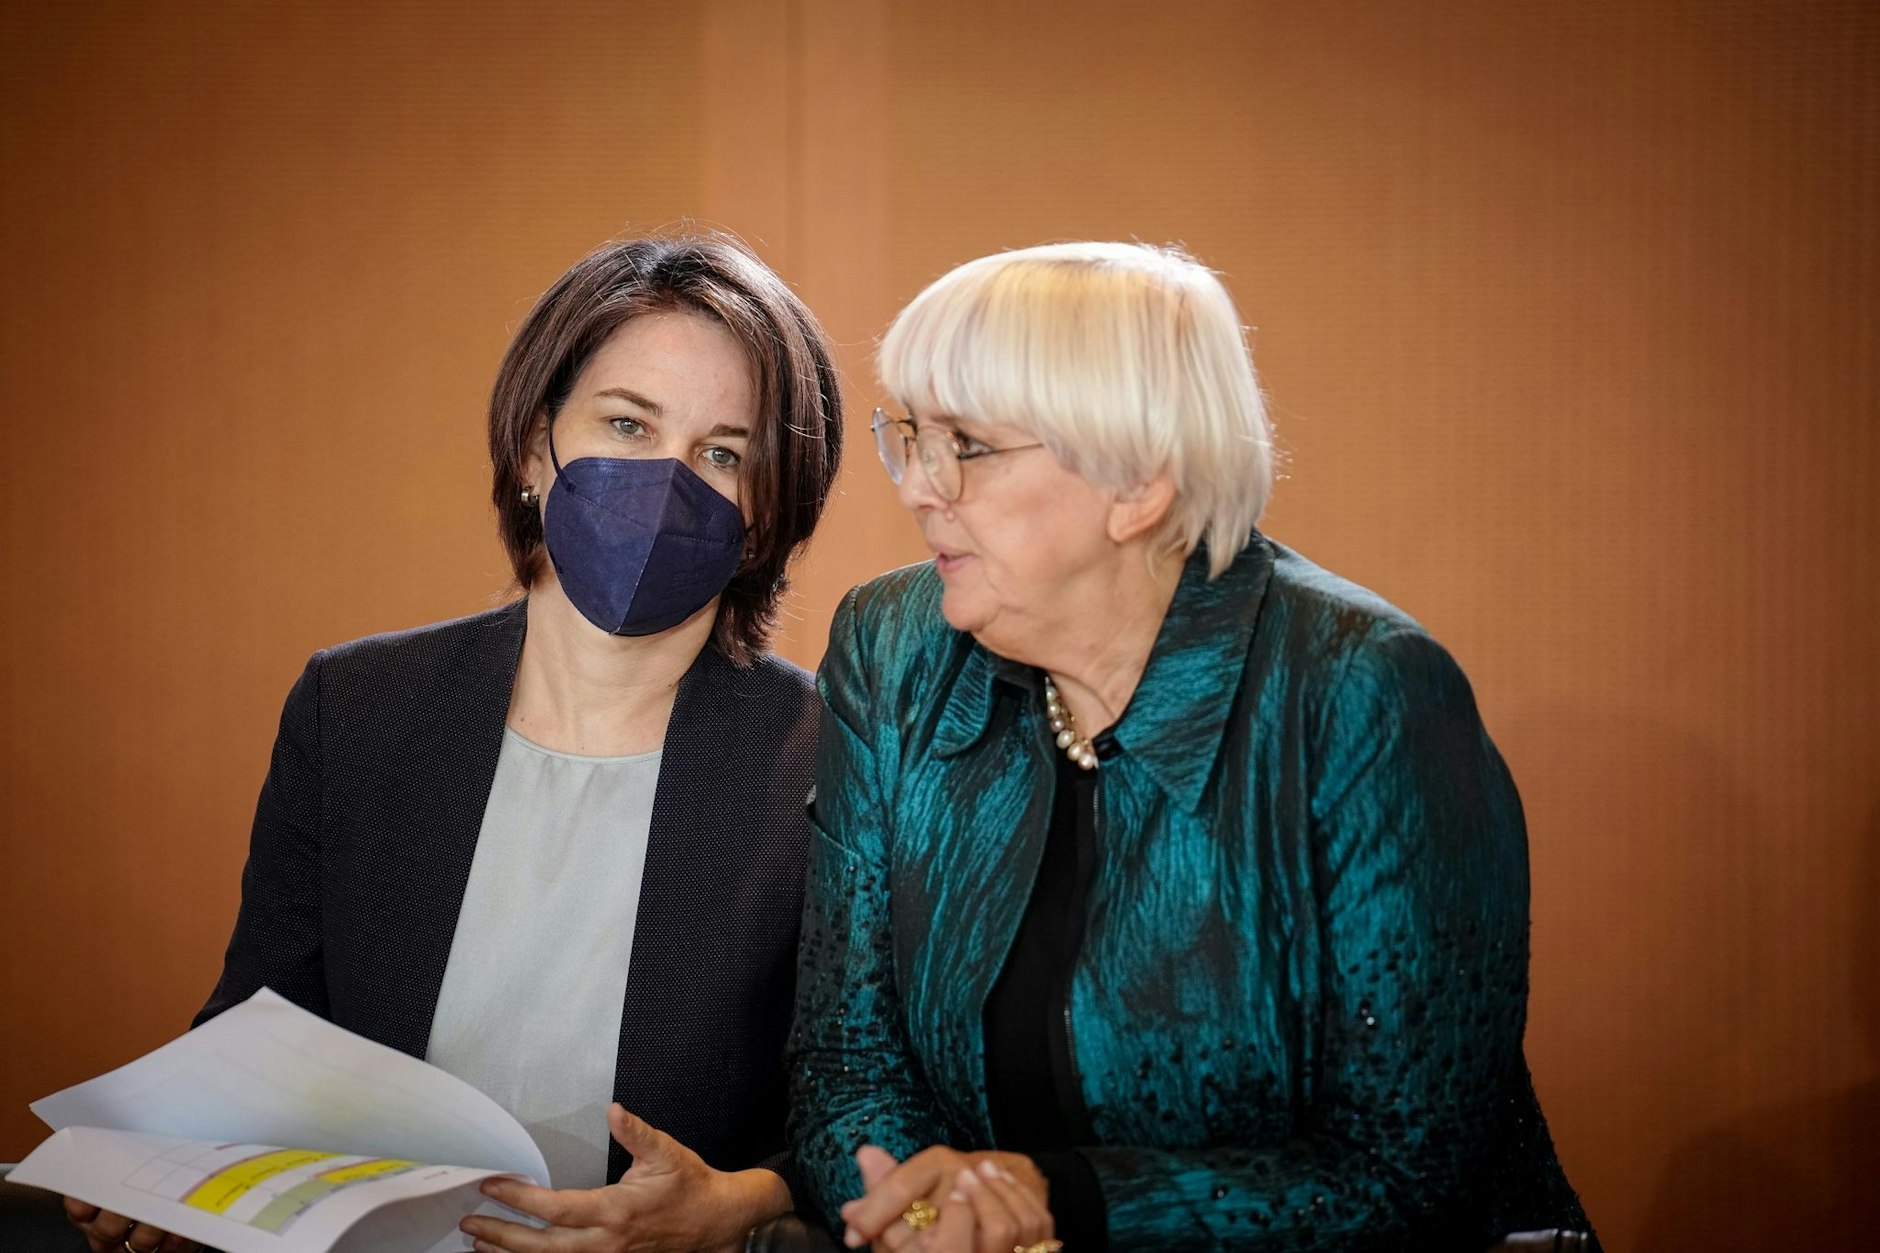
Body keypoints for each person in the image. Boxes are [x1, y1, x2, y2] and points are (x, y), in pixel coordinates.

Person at [788, 241, 1596, 1252]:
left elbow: (1402, 1166)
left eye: (967, 445)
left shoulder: (1363, 692)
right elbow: (842, 1061)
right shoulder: (892, 649)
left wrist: (1056, 1206)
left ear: (1139, 483)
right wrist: (918, 1214)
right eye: (909, 435)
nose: (917, 485)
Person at [64, 233, 844, 1253]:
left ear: (764, 514)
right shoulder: (354, 708)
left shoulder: (827, 759)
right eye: (625, 423)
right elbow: (257, 1035)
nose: (667, 482)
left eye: (723, 453)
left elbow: (856, 1114)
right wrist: (168, 1163)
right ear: (534, 446)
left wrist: (738, 1206)